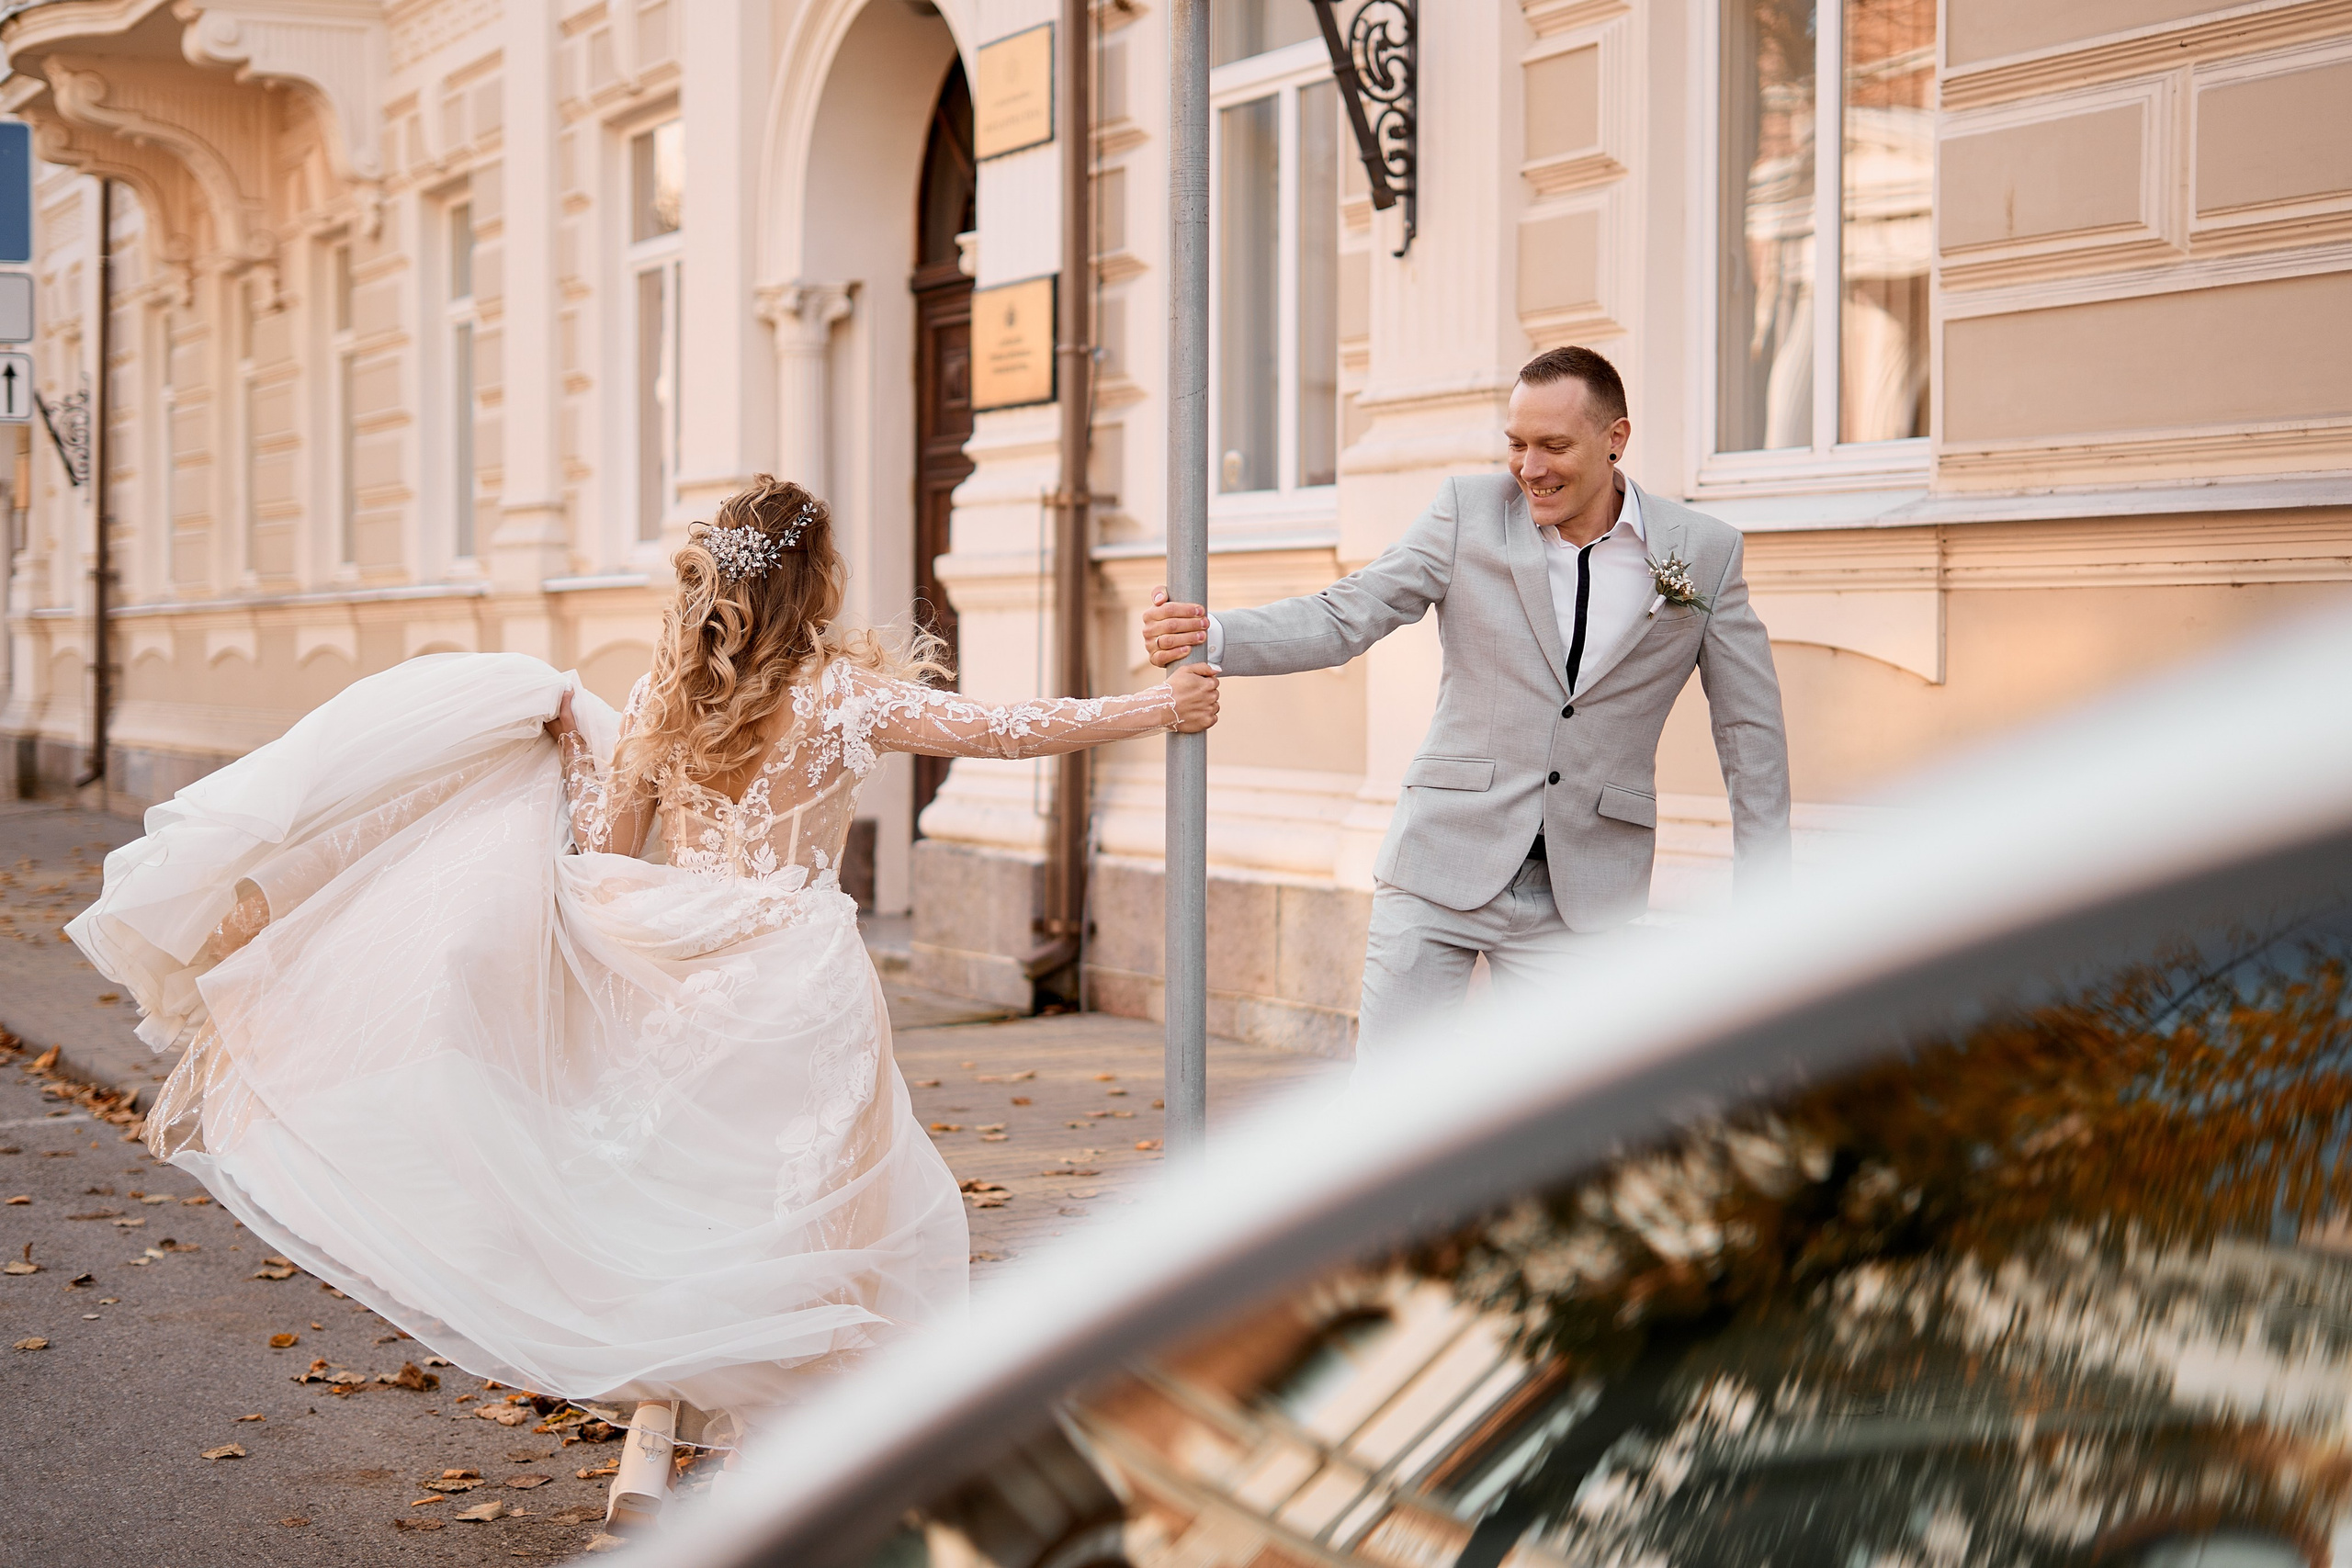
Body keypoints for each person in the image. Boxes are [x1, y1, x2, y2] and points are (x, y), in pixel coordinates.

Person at [69, 475, 1217, 1529]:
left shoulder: (662, 699)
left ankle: (650, 1457)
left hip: (684, 974)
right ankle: (789, 1471)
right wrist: (1154, 709)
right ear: (811, 584)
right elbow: (1004, 730)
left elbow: (610, 860)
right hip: (799, 979)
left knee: (687, 1216)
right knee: (810, 1221)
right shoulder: (838, 700)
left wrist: (583, 781)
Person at [1140, 345, 1788, 1072]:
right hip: (1441, 864)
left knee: (1562, 1133)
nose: (1530, 468)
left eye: (1553, 446)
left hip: (1587, 895)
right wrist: (1214, 633)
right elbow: (1348, 614)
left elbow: (1749, 734)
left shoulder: (1705, 552)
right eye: (1516, 444)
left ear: (1616, 439)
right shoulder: (1467, 512)